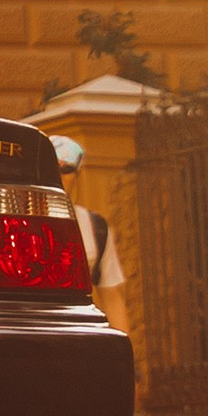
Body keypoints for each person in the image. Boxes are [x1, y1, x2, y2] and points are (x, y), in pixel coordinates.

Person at [51, 132, 125, 308]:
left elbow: (112, 296)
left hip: (76, 327)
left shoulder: (94, 227)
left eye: (66, 169)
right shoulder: (17, 221)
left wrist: (124, 336)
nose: (59, 176)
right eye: (52, 168)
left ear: (77, 174)